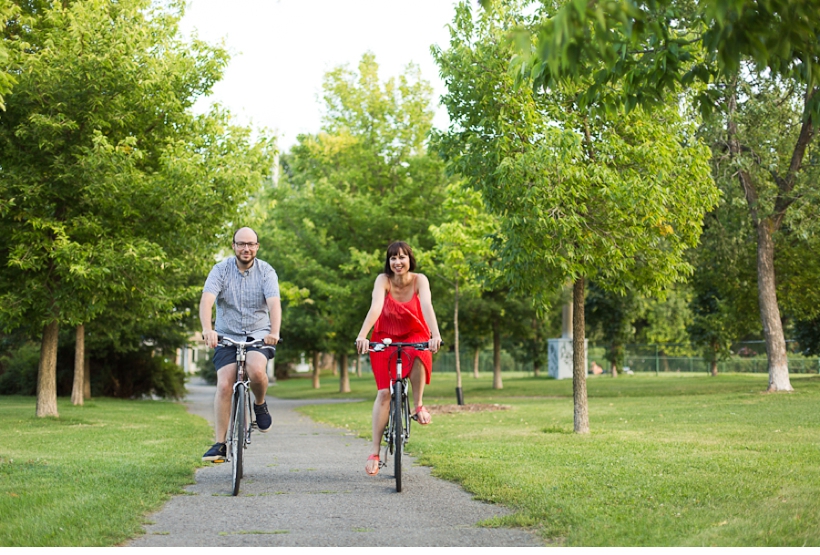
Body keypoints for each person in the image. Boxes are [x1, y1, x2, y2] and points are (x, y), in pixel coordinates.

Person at [355, 241, 442, 476]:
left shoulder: (419, 280)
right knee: (384, 393)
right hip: (384, 335)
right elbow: (375, 307)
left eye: (402, 257)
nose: (398, 262)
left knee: (419, 351)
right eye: (393, 258)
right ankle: (374, 451)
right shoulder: (383, 280)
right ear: (388, 262)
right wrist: (363, 335)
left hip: (415, 332)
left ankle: (418, 405)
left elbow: (426, 305)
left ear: (409, 259)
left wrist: (435, 334)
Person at [200, 227, 281, 461]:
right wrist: (208, 329)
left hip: (258, 333)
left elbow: (274, 304)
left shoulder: (266, 271)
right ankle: (220, 444)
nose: (246, 248)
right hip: (227, 335)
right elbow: (207, 301)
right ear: (233, 246)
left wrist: (274, 331)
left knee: (256, 370)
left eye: (251, 244)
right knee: (225, 384)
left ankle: (260, 403)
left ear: (257, 246)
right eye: (241, 244)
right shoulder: (220, 270)